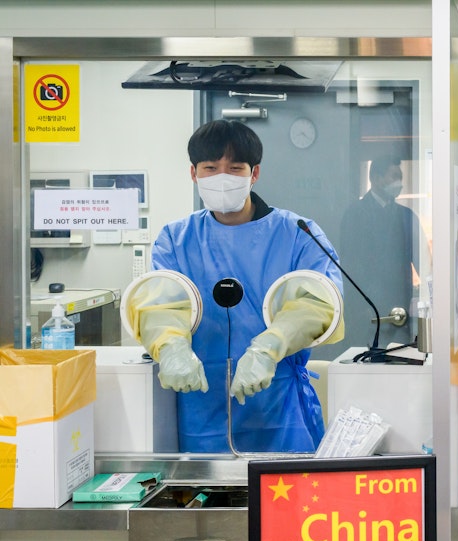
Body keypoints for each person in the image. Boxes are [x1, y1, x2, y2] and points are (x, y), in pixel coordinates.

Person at [130, 119, 344, 453]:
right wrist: (171, 348)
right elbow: (160, 304)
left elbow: (316, 304)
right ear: (194, 173)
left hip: (277, 406)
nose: (221, 178)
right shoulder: (176, 239)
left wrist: (267, 350)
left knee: (290, 499)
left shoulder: (298, 234)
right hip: (200, 409)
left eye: (234, 168)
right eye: (210, 168)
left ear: (254, 173)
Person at [338, 155, 417, 350]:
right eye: (394, 176)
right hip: (365, 310)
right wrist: (361, 305)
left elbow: (421, 259)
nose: (399, 183)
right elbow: (350, 265)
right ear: (376, 178)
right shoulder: (355, 215)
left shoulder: (406, 216)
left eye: (401, 177)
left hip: (400, 310)